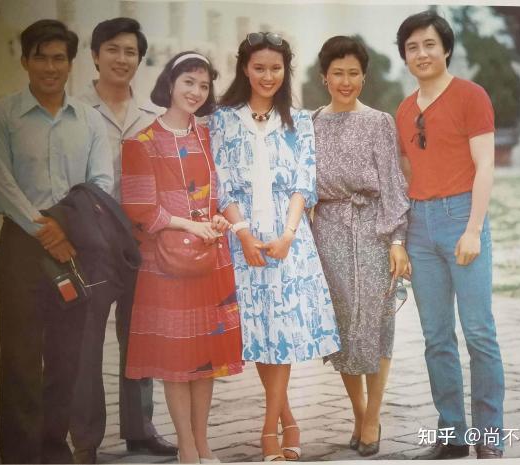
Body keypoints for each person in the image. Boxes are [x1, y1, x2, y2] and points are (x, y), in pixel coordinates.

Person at [0, 19, 113, 463]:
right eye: (41, 57)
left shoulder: (89, 120)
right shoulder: (0, 116)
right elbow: (2, 185)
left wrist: (64, 226)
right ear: (25, 61)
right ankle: (20, 456)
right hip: (21, 247)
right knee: (20, 356)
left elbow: (100, 184)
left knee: (65, 355)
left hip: (75, 247)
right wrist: (46, 229)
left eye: (59, 58)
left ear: (71, 64)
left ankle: (55, 450)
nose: (50, 67)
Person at [209, 32, 340, 462]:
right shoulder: (223, 120)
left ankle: (269, 432)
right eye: (259, 67)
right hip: (242, 239)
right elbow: (222, 184)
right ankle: (289, 422)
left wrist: (287, 235)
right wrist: (243, 235)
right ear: (244, 69)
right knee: (260, 333)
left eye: (276, 68)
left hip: (289, 239)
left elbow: (304, 183)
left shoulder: (299, 121)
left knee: (282, 332)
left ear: (286, 71)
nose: (268, 76)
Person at [120, 51, 243, 464]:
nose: (196, 91)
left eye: (204, 85)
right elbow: (140, 208)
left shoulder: (208, 138)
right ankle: (186, 448)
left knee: (205, 356)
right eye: (188, 81)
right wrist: (190, 225)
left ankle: (204, 443)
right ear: (170, 83)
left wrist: (220, 220)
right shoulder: (141, 142)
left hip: (209, 258)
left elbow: (220, 197)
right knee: (177, 358)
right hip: (166, 263)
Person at [395, 11, 505, 459]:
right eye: (412, 47)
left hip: (462, 216)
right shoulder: (404, 111)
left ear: (445, 49)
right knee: (436, 336)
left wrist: (473, 229)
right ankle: (453, 434)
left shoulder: (470, 96)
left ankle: (490, 436)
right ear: (404, 56)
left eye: (429, 44)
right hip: (419, 226)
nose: (421, 54)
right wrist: (403, 237)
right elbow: (407, 174)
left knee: (478, 332)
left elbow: (486, 165)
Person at [70, 17, 176, 463]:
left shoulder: (151, 117)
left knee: (139, 337)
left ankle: (140, 429)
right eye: (112, 49)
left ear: (140, 59)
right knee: (86, 342)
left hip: (140, 244)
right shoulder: (75, 112)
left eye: (130, 51)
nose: (121, 58)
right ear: (95, 55)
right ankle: (86, 439)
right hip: (89, 246)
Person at [310, 35, 410, 457]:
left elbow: (393, 183)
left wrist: (397, 240)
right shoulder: (310, 123)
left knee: (376, 321)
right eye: (338, 73)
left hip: (373, 230)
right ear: (325, 77)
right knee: (342, 326)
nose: (346, 81)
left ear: (364, 77)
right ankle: (359, 412)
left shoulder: (379, 122)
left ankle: (373, 417)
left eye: (354, 73)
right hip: (328, 230)